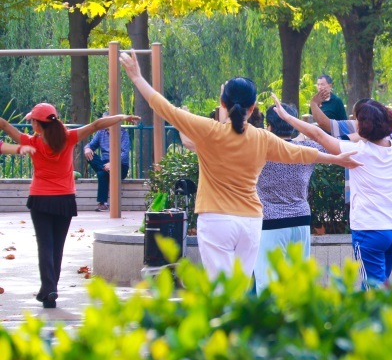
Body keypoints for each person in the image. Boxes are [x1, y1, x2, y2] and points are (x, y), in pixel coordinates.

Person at [118, 51, 361, 282]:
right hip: (251, 222)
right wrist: (337, 159)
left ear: (222, 103)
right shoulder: (261, 137)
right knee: (240, 288)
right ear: (253, 107)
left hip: (216, 220)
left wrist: (137, 77)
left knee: (220, 291)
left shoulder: (208, 131)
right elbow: (300, 153)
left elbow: (164, 108)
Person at [274, 78, 392, 289]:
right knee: (381, 286)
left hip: (370, 231)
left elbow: (317, 134)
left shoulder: (358, 151)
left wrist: (286, 116)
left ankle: (378, 321)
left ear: (363, 127)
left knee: (373, 290)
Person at [0, 106, 139, 308]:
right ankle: (51, 289)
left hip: (40, 199)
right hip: (64, 200)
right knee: (57, 247)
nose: (31, 124)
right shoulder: (69, 137)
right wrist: (123, 116)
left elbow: (4, 124)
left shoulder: (31, 142)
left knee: (45, 246)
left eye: (32, 121)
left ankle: (48, 289)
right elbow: (97, 124)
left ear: (38, 125)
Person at [253, 103, 326, 294]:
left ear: (268, 126)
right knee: (299, 282)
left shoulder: (260, 148)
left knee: (268, 284)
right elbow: (338, 143)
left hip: (270, 222)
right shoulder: (308, 147)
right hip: (301, 220)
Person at [83, 111, 132, 211]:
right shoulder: (101, 132)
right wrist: (87, 148)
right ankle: (103, 203)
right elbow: (90, 145)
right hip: (105, 163)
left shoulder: (123, 134)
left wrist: (113, 164)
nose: (103, 123)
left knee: (101, 174)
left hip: (120, 165)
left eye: (106, 121)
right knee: (90, 155)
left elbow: (124, 154)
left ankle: (102, 203)